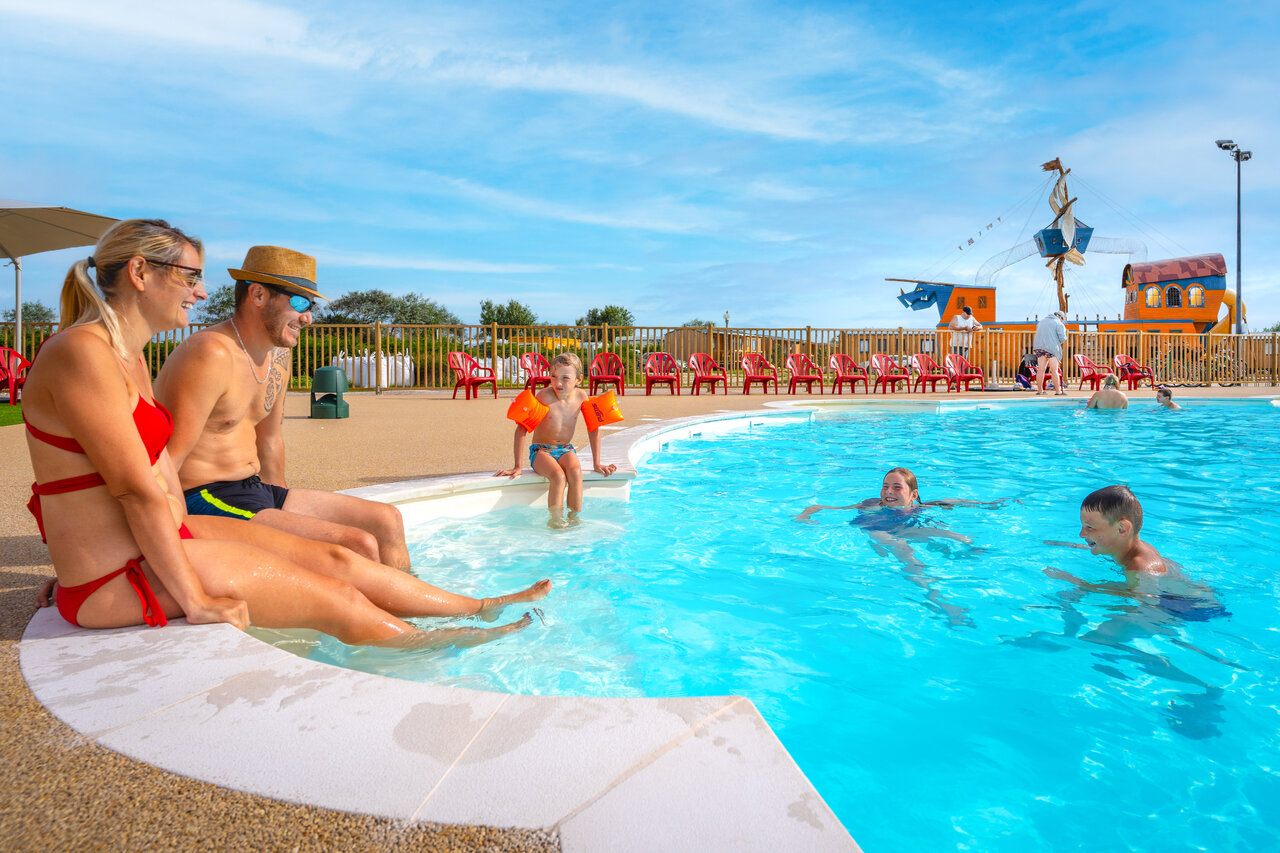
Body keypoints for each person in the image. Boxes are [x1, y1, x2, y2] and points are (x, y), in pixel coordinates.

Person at [25, 219, 547, 647]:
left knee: (340, 558)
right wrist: (194, 599)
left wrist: (276, 523)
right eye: (190, 277)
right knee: (337, 592)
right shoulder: (84, 352)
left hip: (170, 535)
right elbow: (136, 487)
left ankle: (475, 608)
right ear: (140, 272)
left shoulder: (130, 358)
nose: (201, 291)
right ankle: (442, 649)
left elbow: (163, 468)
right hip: (119, 574)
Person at [155, 246, 410, 567]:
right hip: (204, 496)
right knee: (356, 544)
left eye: (311, 306)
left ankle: (409, 600)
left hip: (255, 489)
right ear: (258, 295)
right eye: (300, 303)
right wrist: (171, 535)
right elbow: (167, 455)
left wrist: (285, 521)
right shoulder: (210, 353)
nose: (308, 317)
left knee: (387, 520)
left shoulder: (279, 356)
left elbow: (270, 441)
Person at [496, 352, 617, 526]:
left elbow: (593, 428)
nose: (558, 383)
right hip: (541, 451)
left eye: (565, 378)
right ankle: (555, 520)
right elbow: (522, 428)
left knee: (576, 473)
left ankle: (574, 519)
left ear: (578, 379)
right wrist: (517, 466)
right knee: (558, 476)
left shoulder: (581, 397)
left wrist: (597, 463)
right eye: (553, 376)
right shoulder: (544, 396)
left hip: (566, 449)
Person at [1032, 310, 1068, 396]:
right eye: (1062, 319)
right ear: (1060, 317)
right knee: (1054, 370)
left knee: (1041, 370)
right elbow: (1062, 338)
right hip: (1052, 348)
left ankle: (1040, 391)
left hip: (1039, 347)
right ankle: (1058, 391)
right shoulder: (1058, 323)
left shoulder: (1041, 322)